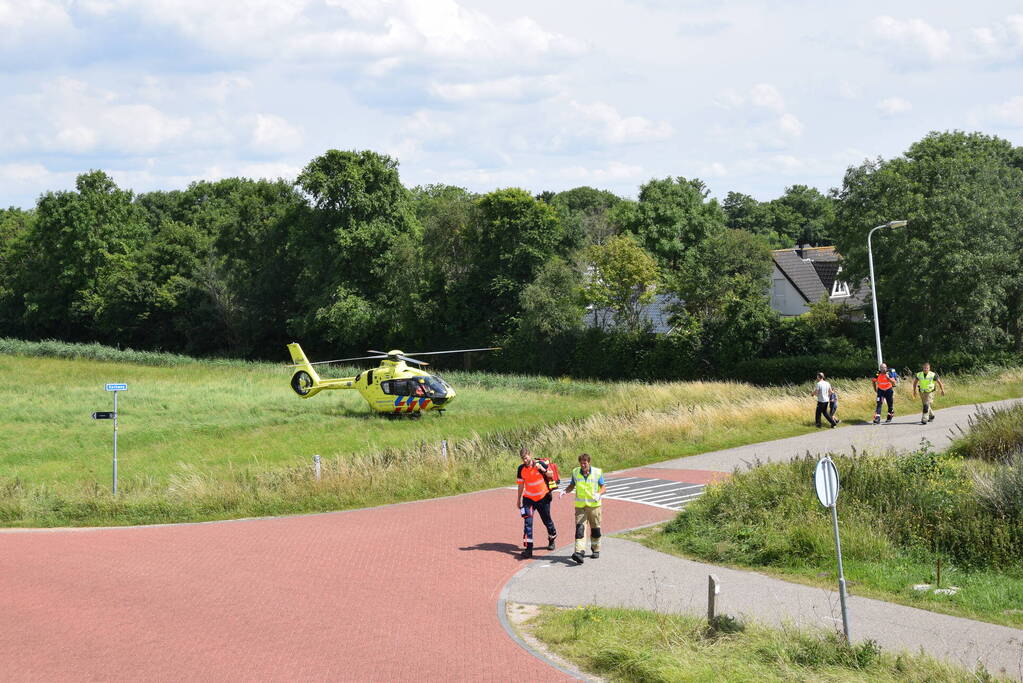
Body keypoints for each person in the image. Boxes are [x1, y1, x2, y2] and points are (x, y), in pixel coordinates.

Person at [559, 453, 605, 564]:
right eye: (581, 463)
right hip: (580, 507)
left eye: (585, 463)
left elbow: (603, 487)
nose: (583, 465)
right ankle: (579, 553)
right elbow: (572, 485)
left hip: (594, 506)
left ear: (589, 462)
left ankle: (596, 549)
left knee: (595, 529)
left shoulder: (597, 472)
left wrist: (599, 493)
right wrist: (565, 491)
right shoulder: (575, 472)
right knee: (580, 530)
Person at [516, 447, 557, 559]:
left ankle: (552, 538)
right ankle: (528, 549)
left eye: (526, 457)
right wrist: (518, 499)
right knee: (527, 523)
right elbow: (520, 485)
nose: (525, 460)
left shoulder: (540, 464)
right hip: (528, 499)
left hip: (543, 498)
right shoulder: (521, 469)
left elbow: (551, 475)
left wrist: (542, 469)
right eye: (522, 459)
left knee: (547, 521)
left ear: (530, 455)